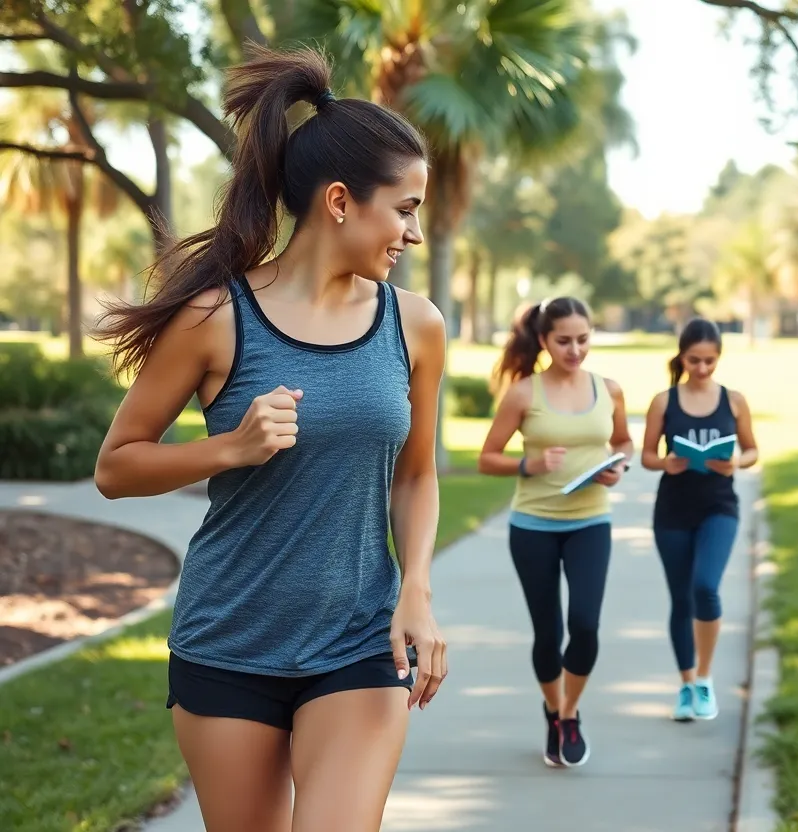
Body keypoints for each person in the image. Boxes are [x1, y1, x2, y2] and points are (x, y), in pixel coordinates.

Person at [91, 43, 448, 832]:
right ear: (341, 201)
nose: (414, 233)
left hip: (359, 640)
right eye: (406, 208)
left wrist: (415, 590)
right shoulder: (216, 319)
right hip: (230, 643)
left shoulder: (415, 326)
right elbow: (116, 468)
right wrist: (229, 448)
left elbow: (416, 476)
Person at [477, 297, 633, 767]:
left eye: (583, 339)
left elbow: (623, 440)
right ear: (544, 341)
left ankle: (569, 712)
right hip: (534, 526)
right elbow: (487, 457)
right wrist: (531, 463)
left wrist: (618, 464)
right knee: (549, 633)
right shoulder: (525, 393)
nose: (575, 349)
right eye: (563, 341)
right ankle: (554, 711)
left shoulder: (609, 389)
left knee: (585, 625)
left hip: (591, 521)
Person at [640, 318, 758, 722]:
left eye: (710, 361)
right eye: (694, 360)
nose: (702, 369)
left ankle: (705, 679)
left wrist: (736, 462)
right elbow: (647, 457)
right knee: (680, 599)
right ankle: (686, 683)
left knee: (705, 587)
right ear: (682, 356)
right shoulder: (663, 402)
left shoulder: (735, 400)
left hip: (718, 508)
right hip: (673, 510)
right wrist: (667, 463)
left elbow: (753, 450)